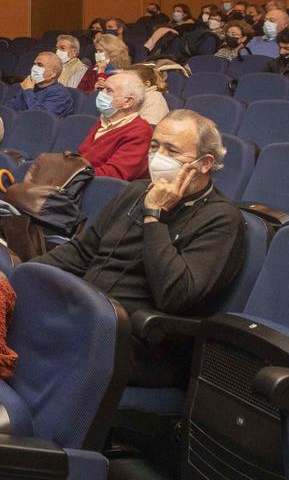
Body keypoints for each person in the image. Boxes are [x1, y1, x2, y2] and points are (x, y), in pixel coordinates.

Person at [36, 110, 247, 384]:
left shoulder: (222, 219)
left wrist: (154, 216)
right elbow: (82, 253)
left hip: (142, 343)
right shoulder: (136, 191)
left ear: (204, 163)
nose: (158, 157)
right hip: (85, 314)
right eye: (155, 146)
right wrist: (28, 272)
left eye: (172, 150)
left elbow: (175, 295)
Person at [73, 71, 153, 180]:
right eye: (103, 89)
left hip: (94, 189)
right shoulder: (106, 120)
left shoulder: (140, 132)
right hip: (78, 181)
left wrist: (71, 173)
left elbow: (113, 176)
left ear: (128, 102)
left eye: (109, 91)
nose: (101, 94)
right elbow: (83, 156)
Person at [6, 50, 76, 116]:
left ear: (53, 73)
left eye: (40, 65)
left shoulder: (60, 93)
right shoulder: (31, 86)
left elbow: (40, 116)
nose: (34, 67)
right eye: (34, 64)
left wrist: (28, 91)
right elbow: (10, 107)